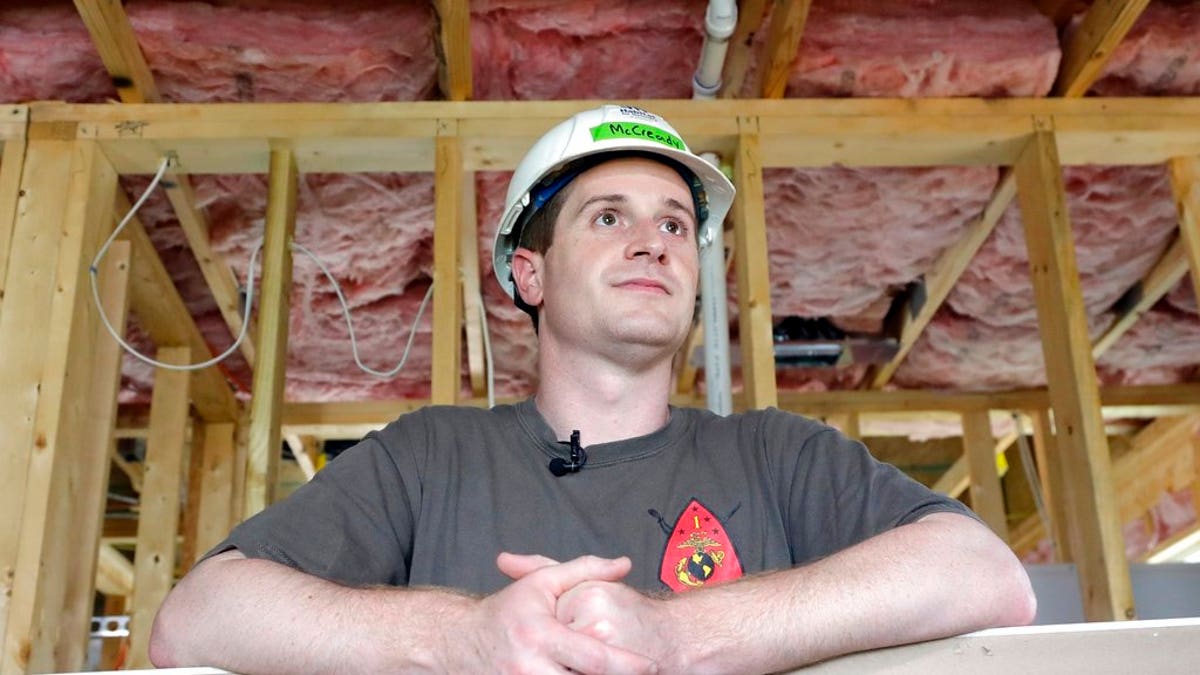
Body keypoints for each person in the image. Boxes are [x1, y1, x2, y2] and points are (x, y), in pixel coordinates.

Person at [150, 104, 1035, 674]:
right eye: (609, 216)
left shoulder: (776, 454)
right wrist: (464, 639)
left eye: (676, 223)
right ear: (529, 275)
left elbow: (985, 574)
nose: (654, 242)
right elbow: (196, 619)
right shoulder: (429, 457)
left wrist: (678, 635)